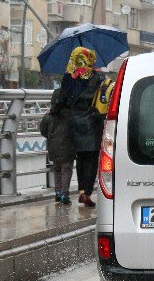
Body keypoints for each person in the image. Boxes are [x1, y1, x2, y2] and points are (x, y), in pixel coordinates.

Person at [61, 47, 105, 207]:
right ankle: (87, 191)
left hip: (74, 122)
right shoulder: (96, 77)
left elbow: (64, 99)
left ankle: (80, 191)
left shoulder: (69, 78)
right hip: (92, 121)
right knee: (92, 158)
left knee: (80, 157)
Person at [39, 85, 75, 205]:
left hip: (53, 147)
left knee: (57, 169)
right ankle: (65, 194)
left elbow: (43, 130)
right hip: (68, 147)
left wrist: (52, 138)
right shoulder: (71, 115)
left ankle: (58, 192)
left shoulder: (49, 115)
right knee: (66, 170)